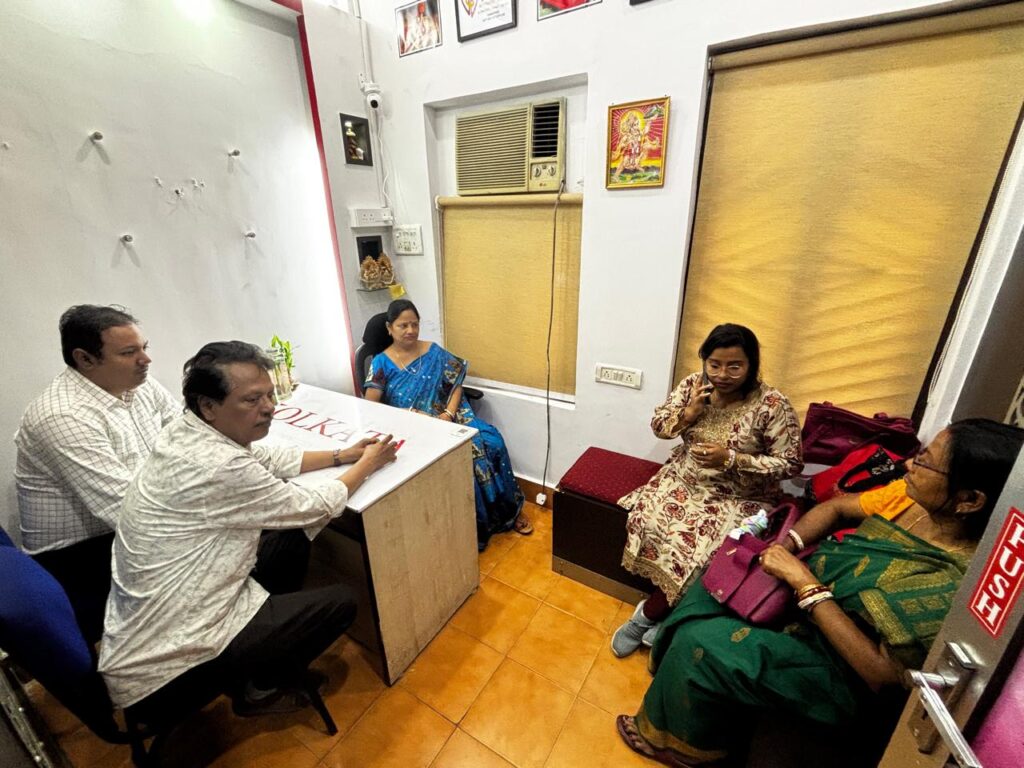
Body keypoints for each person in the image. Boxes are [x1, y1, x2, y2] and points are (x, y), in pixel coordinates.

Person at [616, 418, 1024, 767]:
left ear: (969, 500)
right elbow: (837, 507)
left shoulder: (953, 579)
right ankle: (680, 687)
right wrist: (787, 545)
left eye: (925, 462)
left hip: (839, 668)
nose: (907, 465)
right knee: (709, 587)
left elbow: (882, 675)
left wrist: (803, 583)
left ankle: (684, 746)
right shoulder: (911, 500)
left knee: (702, 641)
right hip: (814, 601)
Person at [99, 342, 398, 715]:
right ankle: (259, 686)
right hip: (170, 658)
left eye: (270, 394)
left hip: (185, 600)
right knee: (341, 600)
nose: (269, 407)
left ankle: (265, 649)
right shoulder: (218, 465)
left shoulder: (189, 429)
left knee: (291, 536)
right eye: (252, 399)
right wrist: (368, 464)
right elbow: (312, 506)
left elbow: (266, 458)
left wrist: (344, 455)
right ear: (209, 406)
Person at [612, 324, 802, 657]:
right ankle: (664, 613)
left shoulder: (772, 404)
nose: (722, 375)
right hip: (684, 478)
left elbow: (791, 464)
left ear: (751, 365)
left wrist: (732, 459)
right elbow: (659, 427)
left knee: (706, 553)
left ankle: (648, 616)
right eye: (714, 364)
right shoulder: (693, 386)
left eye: (734, 366)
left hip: (740, 494)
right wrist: (688, 414)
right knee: (646, 520)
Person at [14, 305, 179, 642]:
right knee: (232, 551)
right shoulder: (63, 415)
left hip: (132, 518)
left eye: (144, 347)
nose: (146, 359)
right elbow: (129, 515)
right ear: (85, 359)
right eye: (129, 352)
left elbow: (190, 439)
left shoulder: (137, 384)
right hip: (80, 557)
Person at [363, 299, 531, 549]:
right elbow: (371, 406)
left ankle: (509, 510)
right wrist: (410, 415)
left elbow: (455, 385)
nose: (410, 330)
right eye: (403, 325)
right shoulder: (381, 363)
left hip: (448, 417)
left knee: (492, 441)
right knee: (459, 459)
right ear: (389, 328)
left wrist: (448, 415)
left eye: (414, 324)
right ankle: (471, 527)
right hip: (411, 426)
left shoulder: (433, 351)